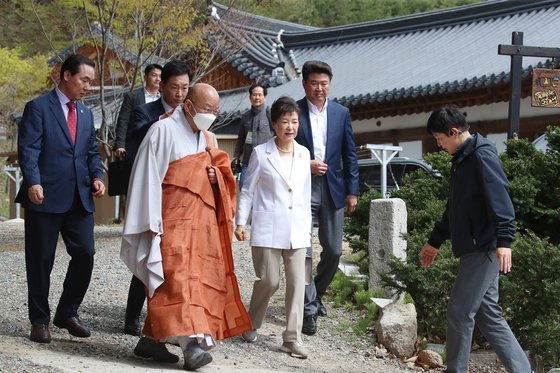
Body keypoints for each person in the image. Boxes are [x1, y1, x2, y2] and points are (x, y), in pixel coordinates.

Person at [121, 83, 251, 370]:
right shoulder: (162, 131)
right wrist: (149, 223)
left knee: (196, 282)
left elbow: (223, 175)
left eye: (215, 111)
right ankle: (191, 345)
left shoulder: (208, 138)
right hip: (170, 222)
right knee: (177, 281)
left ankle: (151, 340)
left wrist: (218, 177)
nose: (211, 116)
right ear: (188, 105)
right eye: (207, 110)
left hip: (201, 226)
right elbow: (147, 179)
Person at [419, 106, 531, 373]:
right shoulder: (463, 158)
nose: (438, 144)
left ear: (454, 132)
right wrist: (435, 240)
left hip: (483, 246)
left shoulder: (481, 156)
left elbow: (500, 197)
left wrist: (505, 241)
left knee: (459, 312)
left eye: (439, 138)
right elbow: (455, 207)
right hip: (477, 245)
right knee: (487, 313)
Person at [16, 54, 105, 344]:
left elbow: (91, 151)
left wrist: (97, 176)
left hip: (79, 196)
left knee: (86, 254)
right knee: (41, 260)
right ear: (66, 75)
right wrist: (33, 181)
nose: (88, 87)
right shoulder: (38, 108)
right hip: (44, 195)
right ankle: (39, 320)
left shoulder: (86, 113)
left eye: (91, 81)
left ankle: (67, 312)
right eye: (85, 80)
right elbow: (28, 149)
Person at [235, 96, 311, 359]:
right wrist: (241, 222)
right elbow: (247, 191)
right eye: (284, 122)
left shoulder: (304, 154)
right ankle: (251, 321)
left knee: (297, 282)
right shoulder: (260, 153)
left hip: (297, 230)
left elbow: (304, 194)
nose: (290, 127)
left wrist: (307, 227)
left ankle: (292, 338)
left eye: (294, 122)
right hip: (268, 227)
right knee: (269, 281)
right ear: (274, 125)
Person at [294, 60, 359, 335]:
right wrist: (304, 163)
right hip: (302, 186)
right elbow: (283, 148)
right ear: (304, 84)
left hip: (333, 187)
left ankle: (316, 293)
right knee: (305, 253)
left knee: (333, 250)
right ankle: (308, 310)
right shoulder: (293, 111)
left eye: (324, 83)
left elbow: (349, 153)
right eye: (314, 83)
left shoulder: (341, 112)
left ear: (329, 83)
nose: (319, 88)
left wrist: (352, 190)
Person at [113, 63, 163, 160]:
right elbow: (123, 121)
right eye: (154, 75)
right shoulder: (133, 97)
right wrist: (120, 145)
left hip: (158, 147)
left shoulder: (164, 99)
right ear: (145, 77)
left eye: (160, 76)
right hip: (135, 146)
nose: (158, 79)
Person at [232, 82, 273, 189]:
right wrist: (236, 156)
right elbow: (241, 138)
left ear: (265, 97)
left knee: (264, 191)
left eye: (260, 95)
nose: (257, 97)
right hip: (248, 161)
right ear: (250, 97)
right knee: (244, 188)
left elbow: (277, 136)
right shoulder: (245, 116)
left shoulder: (270, 114)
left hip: (266, 162)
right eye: (254, 95)